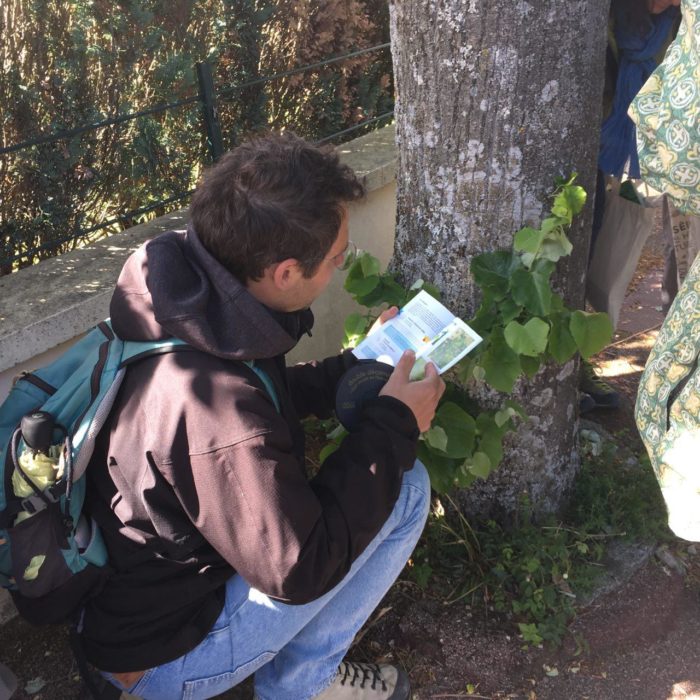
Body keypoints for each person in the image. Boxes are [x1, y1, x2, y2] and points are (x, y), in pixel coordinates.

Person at [80, 132, 445, 700]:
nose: (339, 271)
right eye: (335, 260)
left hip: (130, 599)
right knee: (407, 491)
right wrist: (395, 421)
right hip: (156, 663)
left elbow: (260, 399)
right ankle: (301, 687)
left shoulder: (188, 302)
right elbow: (301, 571)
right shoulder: (222, 413)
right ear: (285, 273)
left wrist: (354, 366)